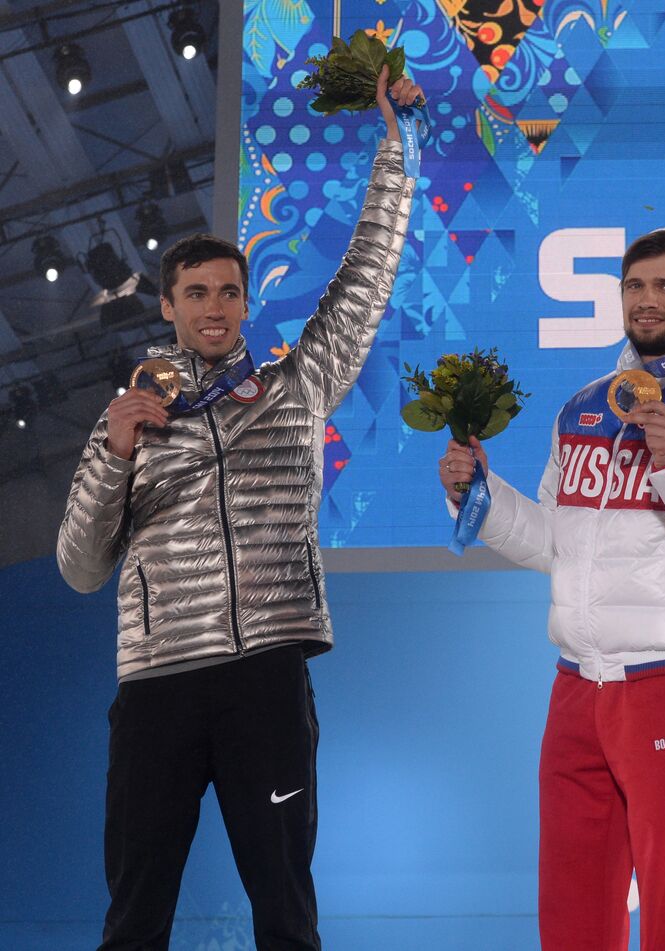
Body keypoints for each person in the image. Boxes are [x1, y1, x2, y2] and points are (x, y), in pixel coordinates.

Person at [55, 67, 423, 951]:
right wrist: (115, 453)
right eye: (196, 294)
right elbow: (77, 566)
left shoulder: (296, 385)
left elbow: (366, 276)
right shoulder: (129, 415)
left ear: (246, 302)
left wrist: (396, 155)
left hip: (265, 678)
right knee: (135, 913)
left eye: (228, 291)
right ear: (167, 306)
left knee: (287, 913)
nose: (214, 307)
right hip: (156, 690)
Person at [436, 229, 665, 951]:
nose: (648, 300)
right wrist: (480, 494)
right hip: (576, 688)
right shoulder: (584, 407)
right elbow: (551, 542)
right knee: (571, 905)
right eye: (636, 286)